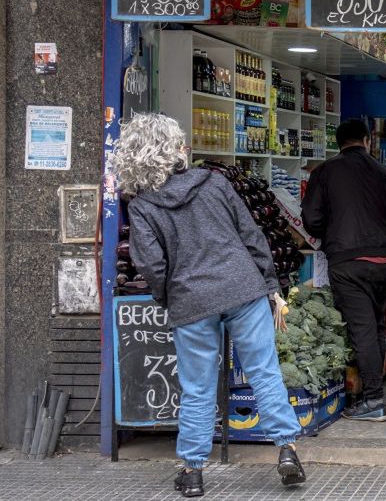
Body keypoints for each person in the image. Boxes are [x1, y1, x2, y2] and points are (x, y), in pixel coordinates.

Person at [114, 113, 305, 497]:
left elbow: (151, 264)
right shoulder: (214, 183)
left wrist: (169, 296)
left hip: (191, 302)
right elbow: (251, 236)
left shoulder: (143, 206)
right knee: (264, 372)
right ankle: (287, 451)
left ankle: (192, 471)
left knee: (197, 388)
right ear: (174, 149)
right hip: (243, 289)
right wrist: (269, 284)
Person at [301, 119, 386, 422]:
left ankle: (373, 400)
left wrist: (332, 229)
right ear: (366, 140)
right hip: (383, 261)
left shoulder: (324, 172)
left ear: (338, 142)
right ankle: (371, 391)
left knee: (361, 330)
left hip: (347, 262)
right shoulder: (385, 173)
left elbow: (311, 219)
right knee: (376, 328)